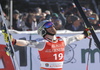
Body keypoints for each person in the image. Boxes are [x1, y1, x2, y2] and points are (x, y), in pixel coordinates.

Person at [2, 20, 90, 70]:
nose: (52, 27)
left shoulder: (61, 40)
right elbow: (27, 42)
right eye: (49, 26)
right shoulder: (43, 42)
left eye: (52, 25)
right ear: (43, 30)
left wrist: (85, 34)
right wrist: (13, 41)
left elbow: (75, 38)